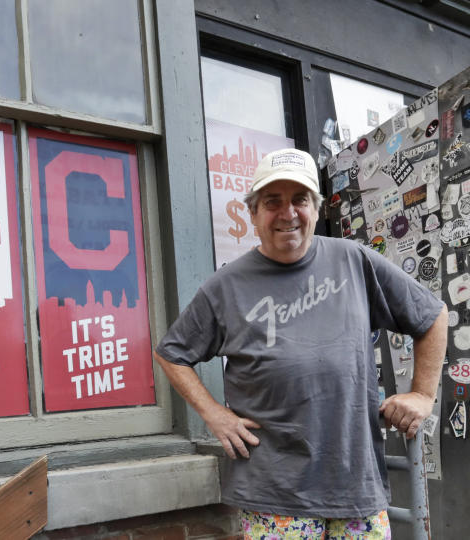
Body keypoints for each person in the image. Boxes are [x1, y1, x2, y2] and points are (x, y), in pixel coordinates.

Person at [154, 148, 447, 539]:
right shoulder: (225, 287)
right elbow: (172, 352)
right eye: (272, 202)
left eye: (300, 200)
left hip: (356, 485)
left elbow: (431, 315)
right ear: (252, 214)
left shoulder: (354, 260)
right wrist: (213, 414)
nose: (288, 213)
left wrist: (424, 395)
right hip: (274, 491)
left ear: (317, 208)